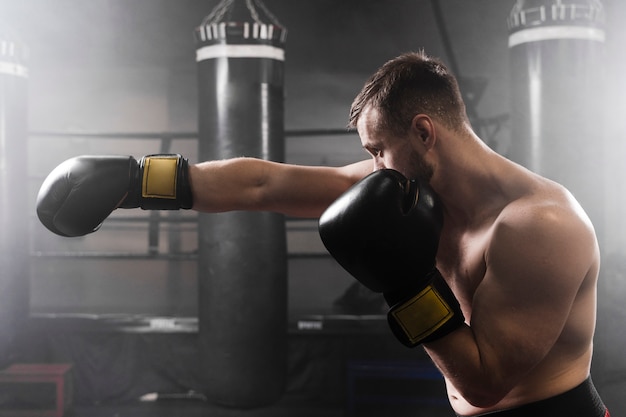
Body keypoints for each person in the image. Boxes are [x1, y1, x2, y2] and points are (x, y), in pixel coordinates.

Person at [36, 51, 608, 416]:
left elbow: (488, 384)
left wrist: (405, 285)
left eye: (379, 150)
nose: (373, 168)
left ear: (425, 131)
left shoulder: (539, 225)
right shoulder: (410, 188)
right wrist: (136, 180)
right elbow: (263, 185)